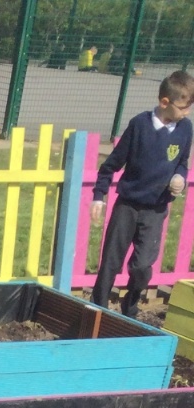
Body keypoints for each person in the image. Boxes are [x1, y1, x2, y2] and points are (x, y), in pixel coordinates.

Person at [91, 71, 194, 319]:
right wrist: (99, 195)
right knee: (111, 262)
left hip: (155, 210)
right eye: (183, 107)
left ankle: (130, 306)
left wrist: (180, 177)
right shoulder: (139, 125)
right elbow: (111, 165)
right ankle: (98, 310)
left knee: (142, 267)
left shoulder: (185, 128)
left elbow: (182, 162)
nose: (187, 113)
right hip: (127, 206)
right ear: (165, 102)